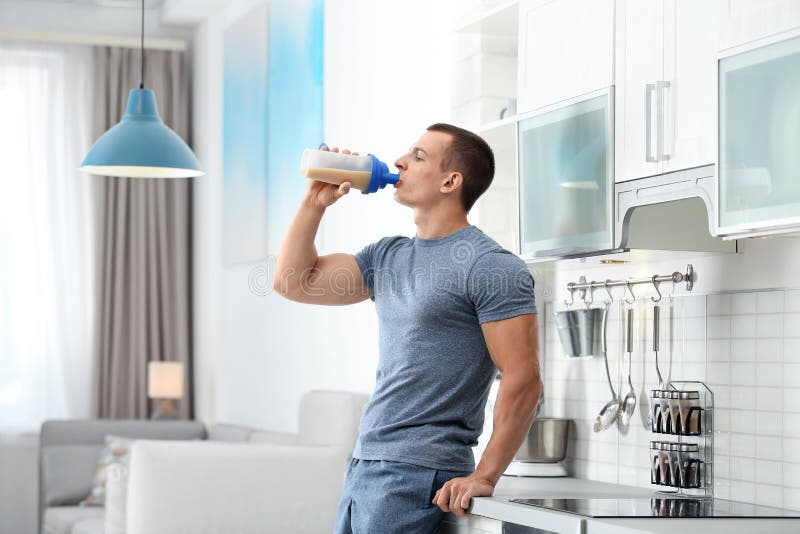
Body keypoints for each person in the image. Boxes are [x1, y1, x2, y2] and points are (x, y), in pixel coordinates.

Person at [273, 123, 542, 533]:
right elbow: (293, 282)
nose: (399, 162)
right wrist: (314, 203)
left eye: (418, 157)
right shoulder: (388, 256)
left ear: (451, 181)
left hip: (419, 472)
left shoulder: (492, 267)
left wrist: (484, 476)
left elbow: (523, 379)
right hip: (367, 463)